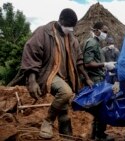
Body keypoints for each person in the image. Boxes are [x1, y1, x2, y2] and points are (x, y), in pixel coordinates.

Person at [19, 8, 94, 139]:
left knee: (64, 110)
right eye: (68, 26)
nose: (70, 29)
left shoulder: (72, 38)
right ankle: (47, 121)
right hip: (48, 74)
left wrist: (86, 78)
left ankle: (66, 136)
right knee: (66, 92)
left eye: (72, 27)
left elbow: (79, 60)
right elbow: (31, 53)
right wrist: (32, 80)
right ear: (61, 20)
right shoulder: (43, 32)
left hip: (66, 76)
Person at [82, 22, 115, 141]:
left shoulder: (96, 43)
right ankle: (99, 135)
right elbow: (87, 63)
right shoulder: (91, 43)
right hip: (95, 81)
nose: (105, 34)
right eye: (104, 31)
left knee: (99, 108)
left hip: (100, 78)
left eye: (106, 32)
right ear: (97, 30)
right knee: (100, 108)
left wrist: (105, 67)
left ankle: (97, 134)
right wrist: (105, 64)